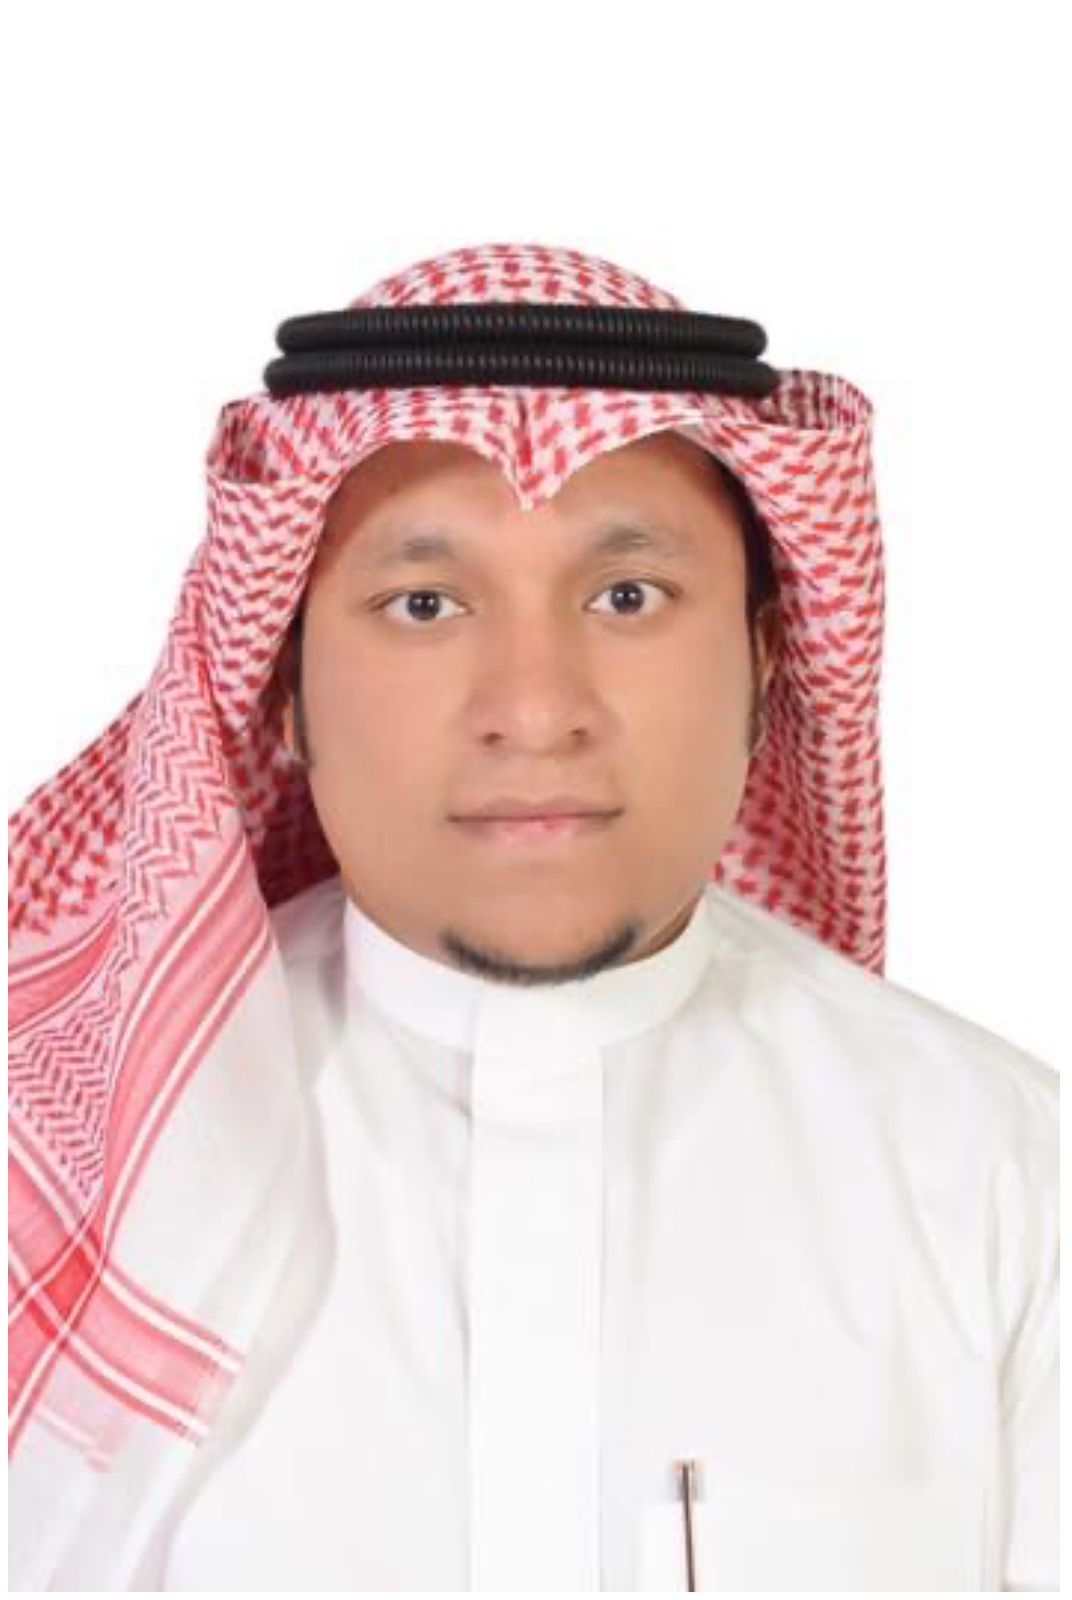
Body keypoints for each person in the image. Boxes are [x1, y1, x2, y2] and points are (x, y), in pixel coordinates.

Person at [8, 241, 1057, 1591]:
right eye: (424, 603)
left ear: (761, 660)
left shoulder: (1008, 1179)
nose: (537, 705)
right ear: (281, 684)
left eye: (627, 596)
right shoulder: (42, 1172)